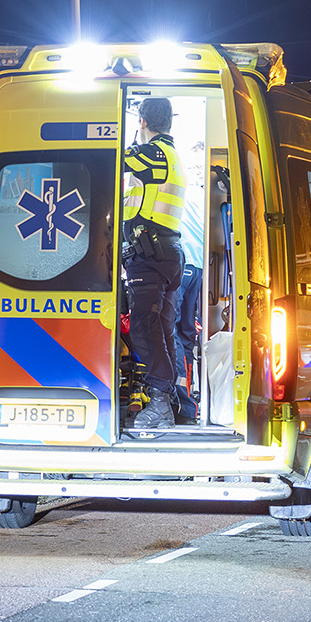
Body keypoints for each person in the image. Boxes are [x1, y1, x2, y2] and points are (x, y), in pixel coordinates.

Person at [121, 97, 188, 429]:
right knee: (161, 330)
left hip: (149, 256)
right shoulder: (171, 156)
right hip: (165, 254)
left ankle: (160, 400)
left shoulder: (155, 154)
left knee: (143, 329)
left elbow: (110, 159)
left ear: (143, 122)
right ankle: (168, 400)